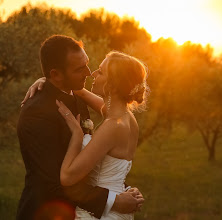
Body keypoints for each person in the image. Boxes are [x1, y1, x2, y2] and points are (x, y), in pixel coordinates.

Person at [17, 35, 144, 220]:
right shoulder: (36, 113)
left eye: (96, 69)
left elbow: (100, 160)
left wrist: (119, 187)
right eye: (80, 69)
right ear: (56, 74)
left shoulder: (86, 101)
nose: (89, 72)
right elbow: (52, 183)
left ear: (112, 85)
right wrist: (115, 199)